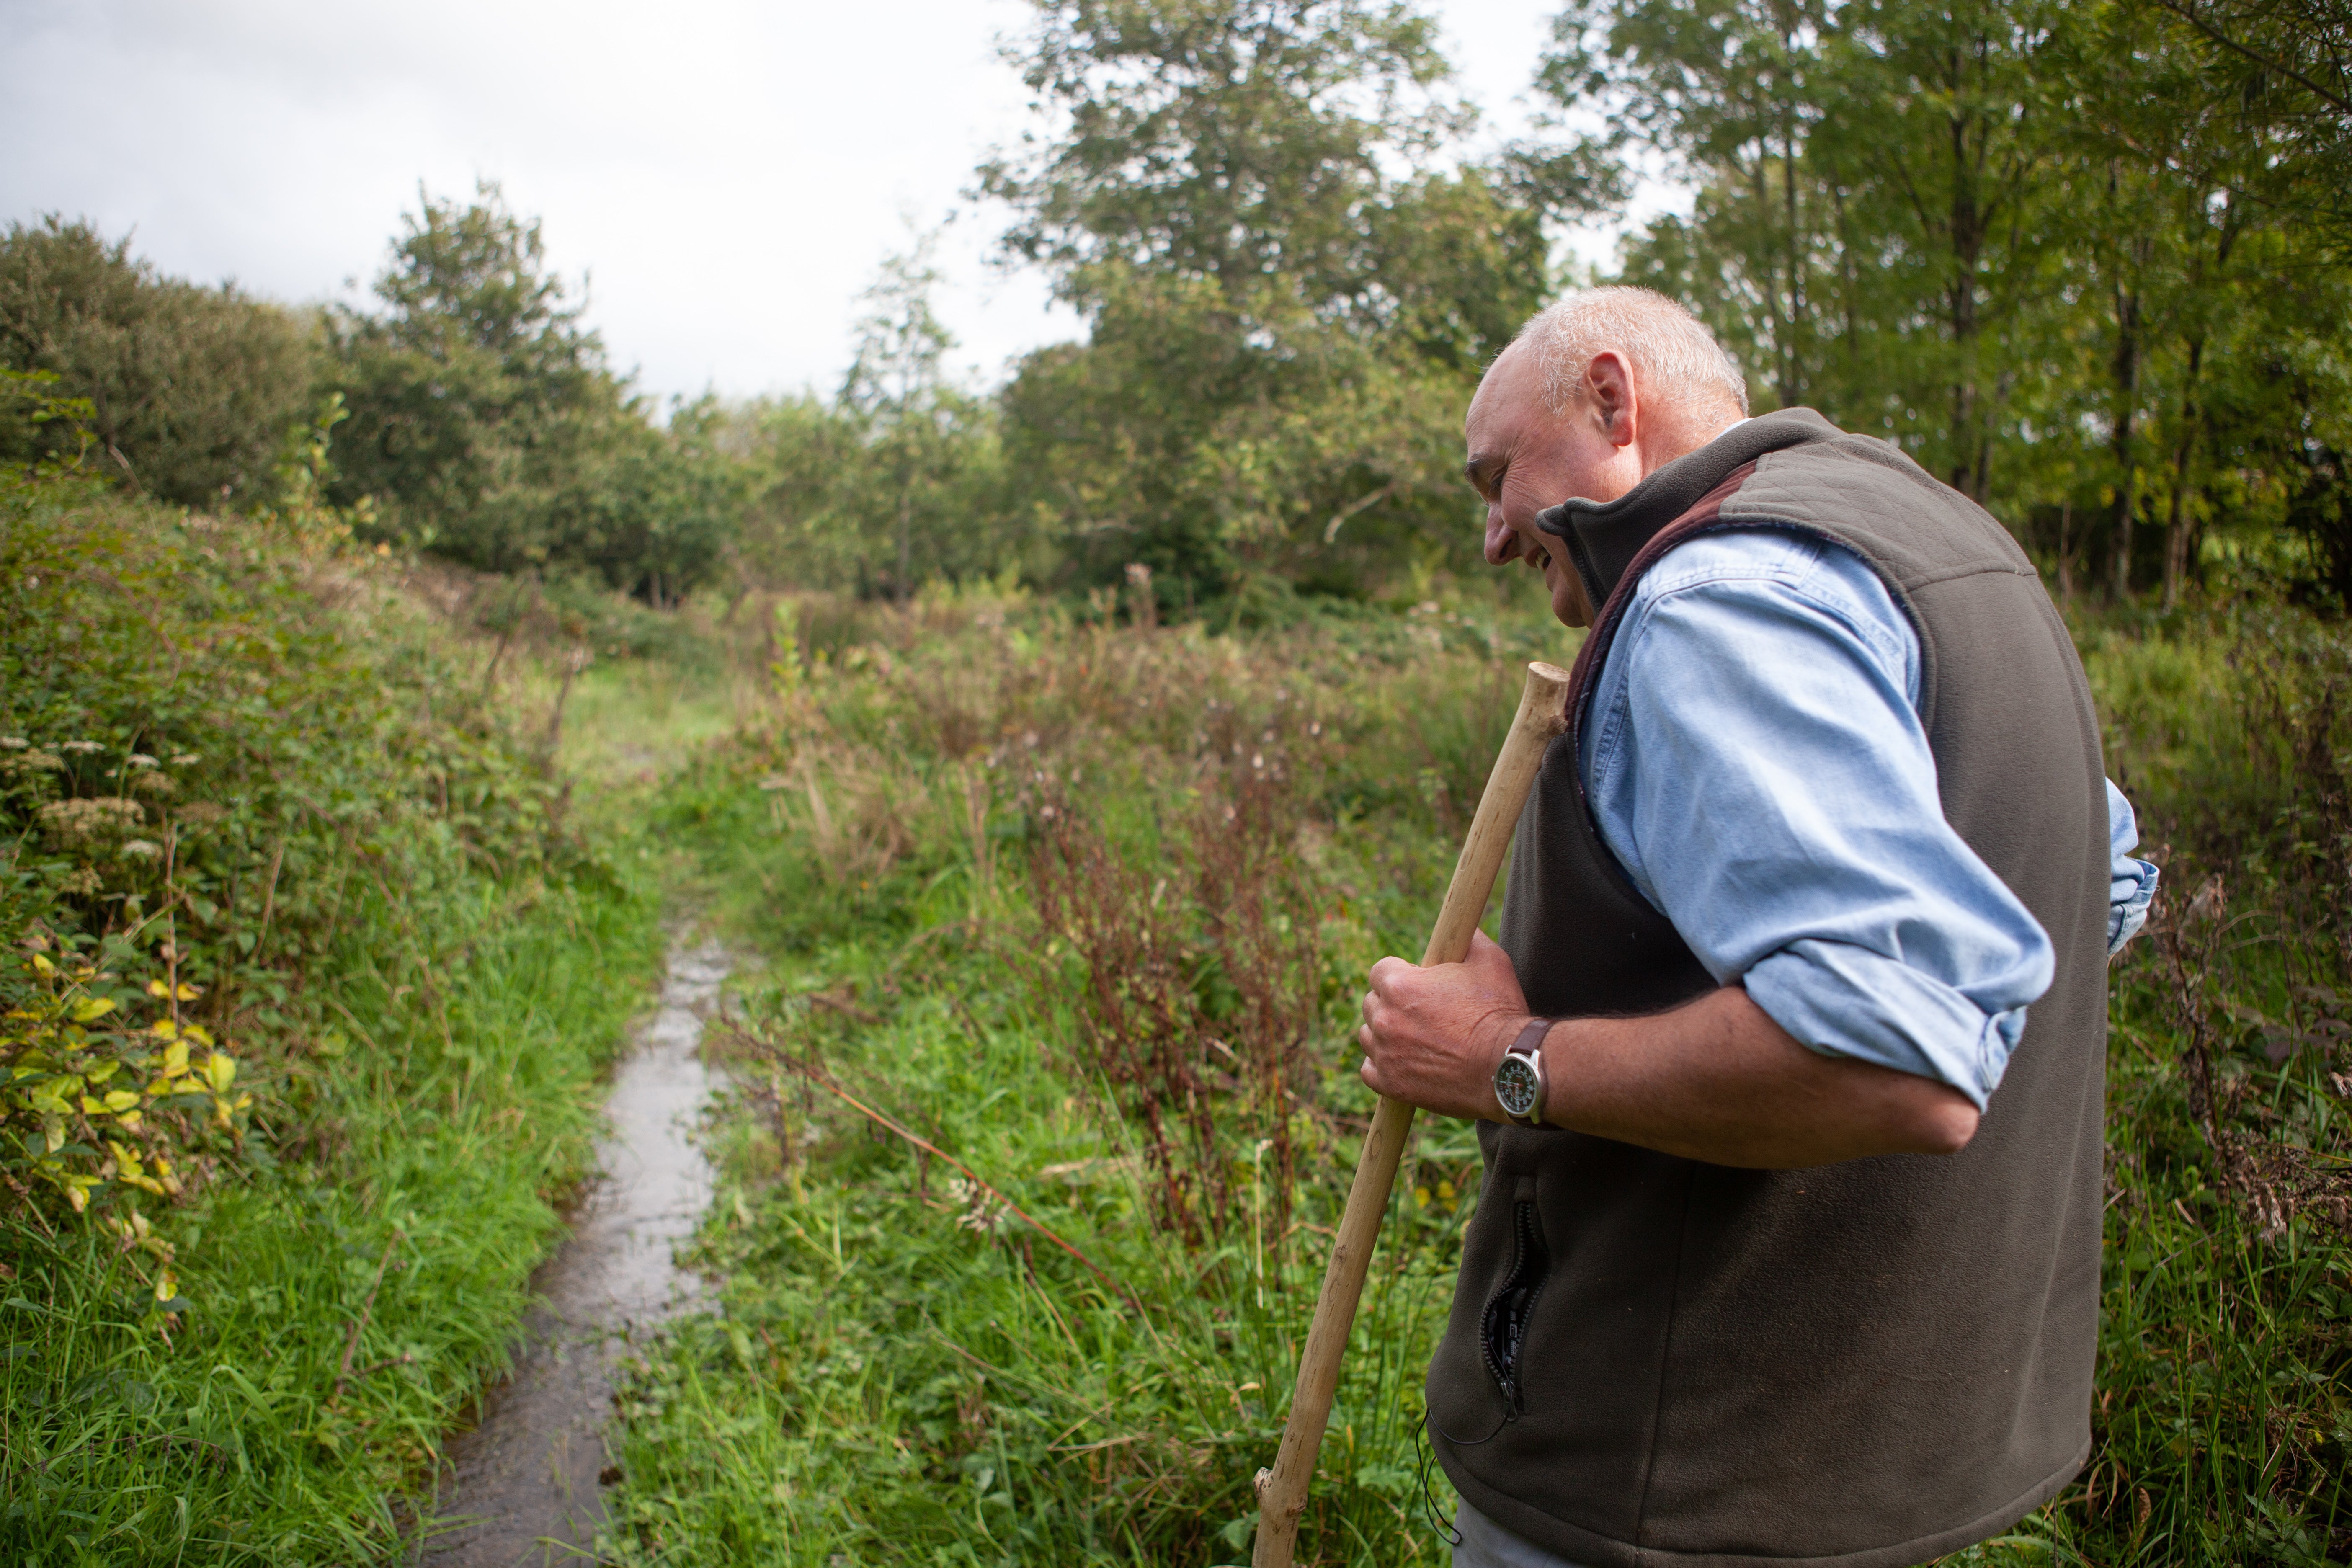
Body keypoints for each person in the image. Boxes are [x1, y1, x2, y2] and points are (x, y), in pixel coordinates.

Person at [1356, 288, 2159, 1568]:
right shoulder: (1942, 540)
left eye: (1494, 478)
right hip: (1889, 1446)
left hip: (1676, 1483)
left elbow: (1895, 1054)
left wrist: (1505, 1057)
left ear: (1614, 403)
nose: (1494, 537)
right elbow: (2090, 880)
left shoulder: (1711, 605)